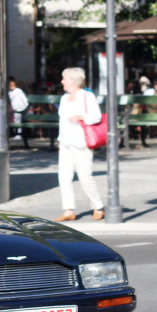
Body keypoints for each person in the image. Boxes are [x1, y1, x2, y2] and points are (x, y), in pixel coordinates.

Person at [55, 66, 105, 222]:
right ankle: (68, 210)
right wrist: (60, 141)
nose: (62, 81)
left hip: (81, 142)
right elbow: (62, 122)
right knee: (64, 177)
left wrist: (81, 116)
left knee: (85, 178)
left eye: (65, 78)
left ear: (73, 81)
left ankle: (98, 207)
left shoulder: (86, 96)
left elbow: (96, 116)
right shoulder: (64, 98)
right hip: (66, 142)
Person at [7, 77, 30, 148]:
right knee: (12, 120)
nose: (12, 87)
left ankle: (18, 134)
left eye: (13, 85)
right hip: (12, 109)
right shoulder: (9, 92)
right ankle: (14, 133)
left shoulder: (18, 91)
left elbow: (24, 99)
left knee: (18, 120)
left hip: (20, 108)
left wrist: (25, 106)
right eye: (10, 86)